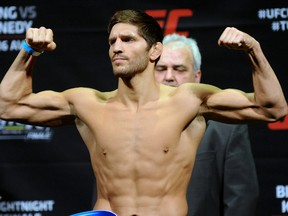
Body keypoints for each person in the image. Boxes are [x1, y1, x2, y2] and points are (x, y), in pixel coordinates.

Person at [0, 9, 286, 216]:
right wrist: (28, 50)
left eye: (128, 39)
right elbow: (8, 105)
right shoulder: (88, 103)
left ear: (154, 51)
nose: (117, 48)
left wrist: (254, 50)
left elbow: (272, 108)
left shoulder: (188, 102)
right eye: (112, 42)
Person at [155, 34, 259, 216]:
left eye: (179, 69)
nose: (169, 77)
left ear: (197, 77)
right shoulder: (130, 123)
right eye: (161, 68)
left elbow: (241, 199)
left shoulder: (227, 129)